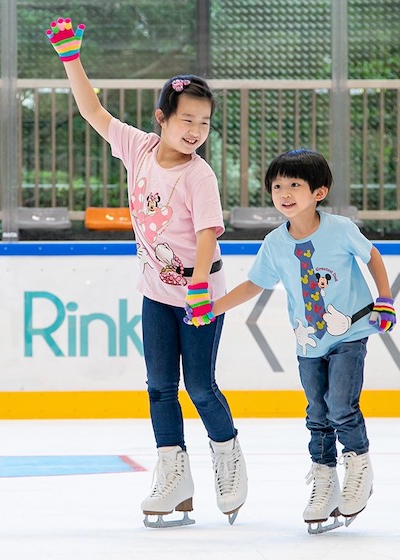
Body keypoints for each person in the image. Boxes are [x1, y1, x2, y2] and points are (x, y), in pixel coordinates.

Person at [46, 17, 247, 528]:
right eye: (187, 121)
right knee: (160, 386)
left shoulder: (199, 174)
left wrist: (200, 287)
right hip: (157, 293)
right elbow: (91, 109)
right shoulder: (137, 148)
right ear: (162, 118)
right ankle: (173, 473)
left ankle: (227, 460)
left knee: (200, 387)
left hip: (199, 294)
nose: (196, 131)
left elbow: (207, 235)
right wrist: (72, 57)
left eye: (204, 122)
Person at [210, 148, 397, 534]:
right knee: (317, 413)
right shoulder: (275, 243)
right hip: (308, 343)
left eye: (295, 184)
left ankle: (358, 463)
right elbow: (253, 284)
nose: (285, 192)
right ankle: (324, 476)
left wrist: (385, 300)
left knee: (341, 405)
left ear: (319, 191)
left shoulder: (340, 229)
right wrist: (213, 308)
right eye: (277, 186)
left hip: (351, 332)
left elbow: (373, 256)